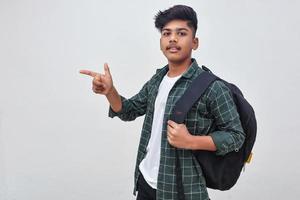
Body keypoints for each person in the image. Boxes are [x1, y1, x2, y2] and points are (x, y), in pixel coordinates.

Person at [80, 5, 245, 200]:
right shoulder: (157, 80)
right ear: (161, 42)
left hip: (182, 189)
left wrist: (191, 141)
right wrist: (110, 92)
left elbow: (236, 136)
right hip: (145, 182)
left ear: (195, 42)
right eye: (167, 33)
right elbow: (128, 111)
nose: (173, 38)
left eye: (181, 33)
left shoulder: (212, 87)